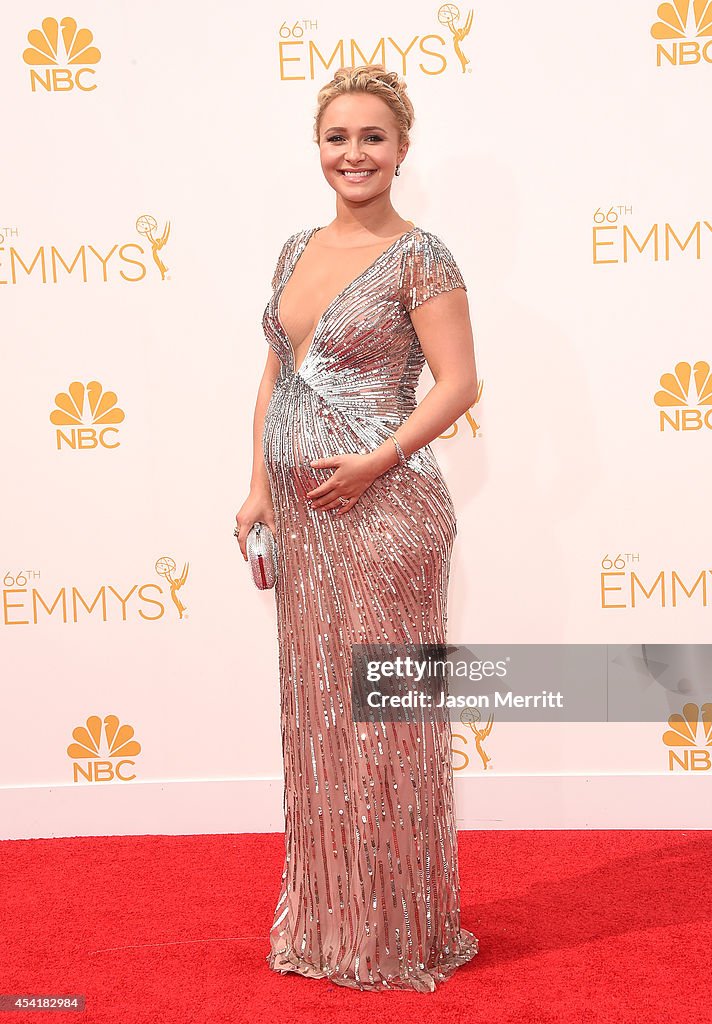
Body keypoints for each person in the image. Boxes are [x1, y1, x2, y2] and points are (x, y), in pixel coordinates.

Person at [235, 63, 479, 992]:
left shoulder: (425, 257)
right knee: (324, 723)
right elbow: (275, 376)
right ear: (318, 148)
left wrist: (377, 460)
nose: (354, 153)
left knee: (381, 721)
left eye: (373, 137)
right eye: (338, 136)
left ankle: (396, 929)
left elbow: (460, 384)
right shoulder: (294, 248)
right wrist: (258, 486)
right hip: (303, 517)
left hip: (387, 512)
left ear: (403, 150)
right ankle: (335, 917)